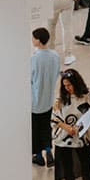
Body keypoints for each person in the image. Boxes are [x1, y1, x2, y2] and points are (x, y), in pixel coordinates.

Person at [31, 27, 60, 168]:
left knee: (35, 129)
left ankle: (38, 155)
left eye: (33, 38)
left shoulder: (34, 59)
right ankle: (49, 150)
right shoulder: (55, 55)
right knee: (45, 126)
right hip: (48, 99)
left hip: (35, 101)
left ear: (38, 40)